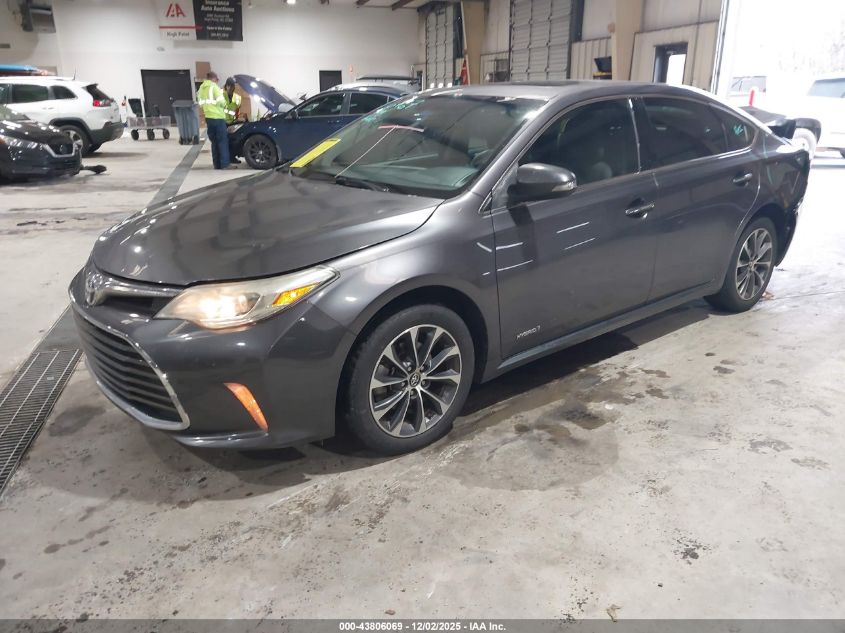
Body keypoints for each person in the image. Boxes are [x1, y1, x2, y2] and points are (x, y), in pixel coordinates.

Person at [196, 71, 234, 170]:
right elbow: (222, 102)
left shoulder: (201, 88)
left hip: (209, 118)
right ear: (214, 79)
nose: (217, 81)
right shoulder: (214, 87)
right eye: (217, 80)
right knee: (222, 141)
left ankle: (216, 165)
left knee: (214, 142)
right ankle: (225, 164)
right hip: (218, 118)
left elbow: (200, 103)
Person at [223, 77, 243, 164]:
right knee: (224, 142)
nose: (231, 88)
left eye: (232, 86)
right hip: (222, 122)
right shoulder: (221, 96)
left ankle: (232, 158)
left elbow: (238, 110)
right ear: (226, 86)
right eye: (229, 86)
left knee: (233, 141)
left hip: (232, 123)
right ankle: (225, 159)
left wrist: (238, 119)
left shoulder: (238, 98)